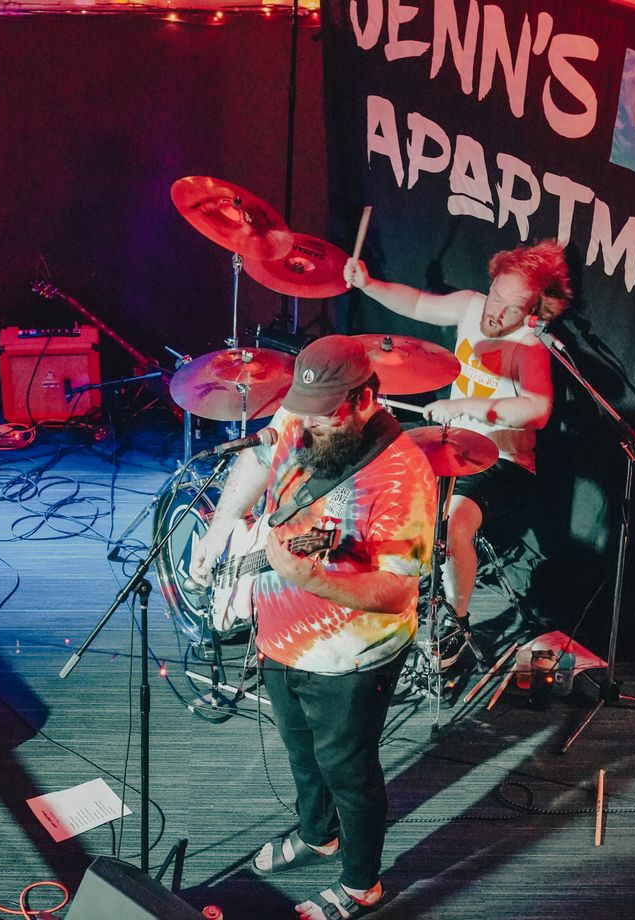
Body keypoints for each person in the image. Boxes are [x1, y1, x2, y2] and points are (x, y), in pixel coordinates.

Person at [189, 335, 435, 919]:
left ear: (363, 399)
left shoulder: (404, 475)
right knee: (302, 754)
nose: (302, 424)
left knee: (349, 771)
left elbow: (397, 589)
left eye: (320, 416)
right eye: (299, 409)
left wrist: (306, 576)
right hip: (280, 638)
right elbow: (258, 459)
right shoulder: (304, 412)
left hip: (349, 659)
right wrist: (223, 525)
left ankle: (361, 887)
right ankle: (317, 834)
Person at [344, 240, 572, 670]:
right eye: (496, 296)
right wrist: (369, 284)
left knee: (449, 529)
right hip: (450, 443)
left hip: (501, 462)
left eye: (512, 306)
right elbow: (415, 302)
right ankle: (373, 596)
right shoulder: (471, 305)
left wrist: (466, 406)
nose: (496, 311)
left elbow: (538, 409)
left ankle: (455, 626)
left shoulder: (530, 344)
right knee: (375, 484)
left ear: (533, 310)